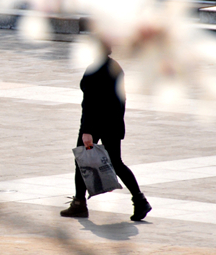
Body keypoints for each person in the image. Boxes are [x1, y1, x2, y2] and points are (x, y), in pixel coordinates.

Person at [62, 48, 151, 221]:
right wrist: (118, 123)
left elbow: (90, 102)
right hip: (112, 123)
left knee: (82, 161)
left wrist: (87, 130)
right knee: (116, 163)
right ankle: (140, 201)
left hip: (95, 124)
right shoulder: (115, 67)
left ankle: (79, 204)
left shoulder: (95, 69)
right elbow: (121, 98)